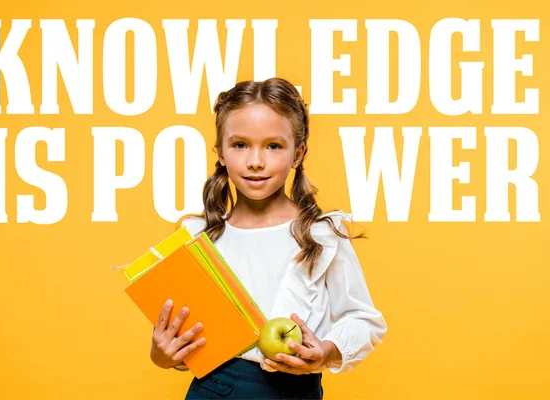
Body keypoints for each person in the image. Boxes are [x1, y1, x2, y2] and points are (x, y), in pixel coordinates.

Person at [149, 77, 388, 399]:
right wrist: (162, 354)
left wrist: (327, 350)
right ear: (220, 152)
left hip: (292, 390)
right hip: (213, 387)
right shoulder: (198, 238)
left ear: (298, 153)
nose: (256, 161)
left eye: (273, 146)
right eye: (240, 145)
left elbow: (363, 318)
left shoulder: (321, 234)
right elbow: (182, 342)